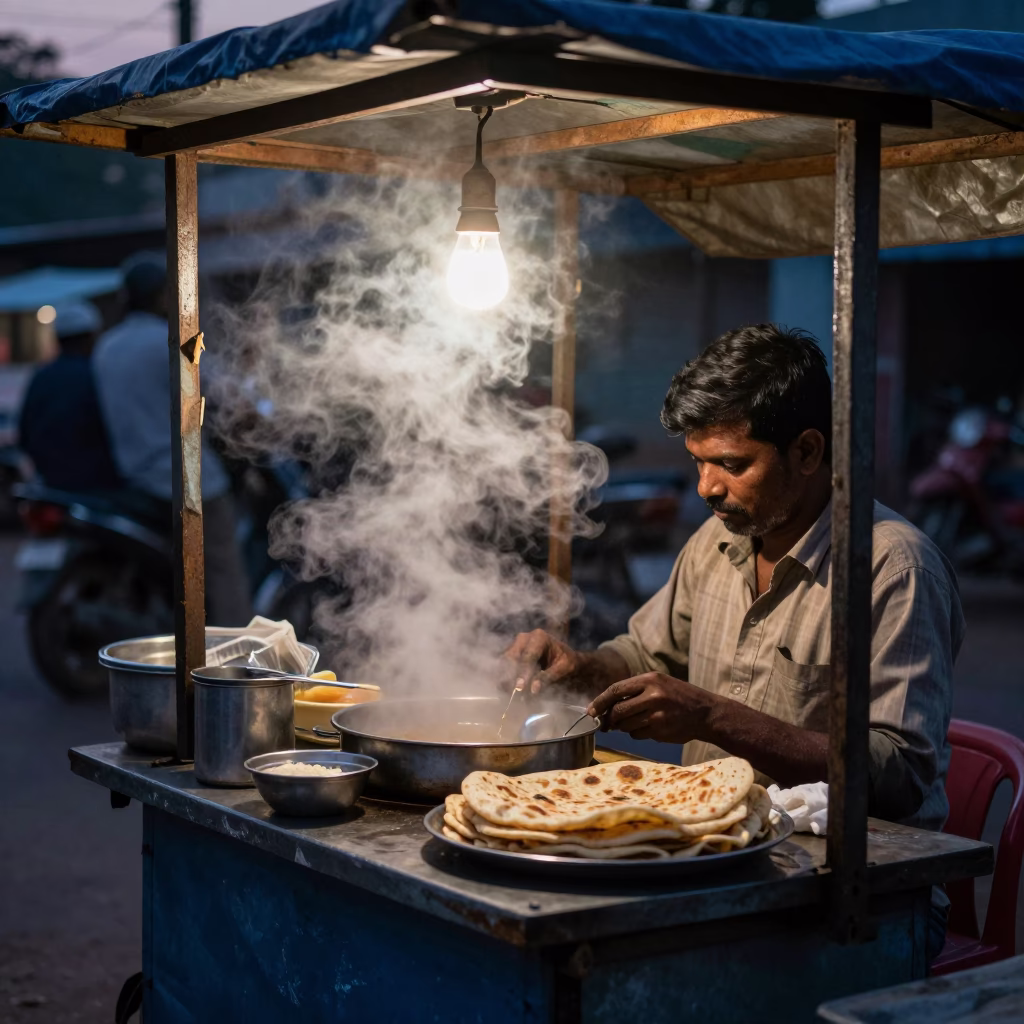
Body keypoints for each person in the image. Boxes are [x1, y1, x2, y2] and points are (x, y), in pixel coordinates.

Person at [506, 324, 962, 960]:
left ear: (807, 451)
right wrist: (578, 668)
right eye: (699, 461)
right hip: (713, 859)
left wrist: (713, 716)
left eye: (732, 464)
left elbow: (898, 775)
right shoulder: (714, 544)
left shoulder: (892, 569)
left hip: (857, 896)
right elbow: (646, 658)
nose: (706, 488)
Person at [92, 261, 252, 626]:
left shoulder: (106, 345)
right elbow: (225, 396)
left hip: (136, 478)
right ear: (162, 295)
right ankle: (238, 659)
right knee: (224, 569)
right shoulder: (177, 340)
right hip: (191, 481)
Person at [18, 300, 121, 492]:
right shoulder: (97, 375)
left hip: (51, 483)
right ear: (92, 336)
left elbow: (24, 434)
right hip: (97, 487)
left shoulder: (41, 377)